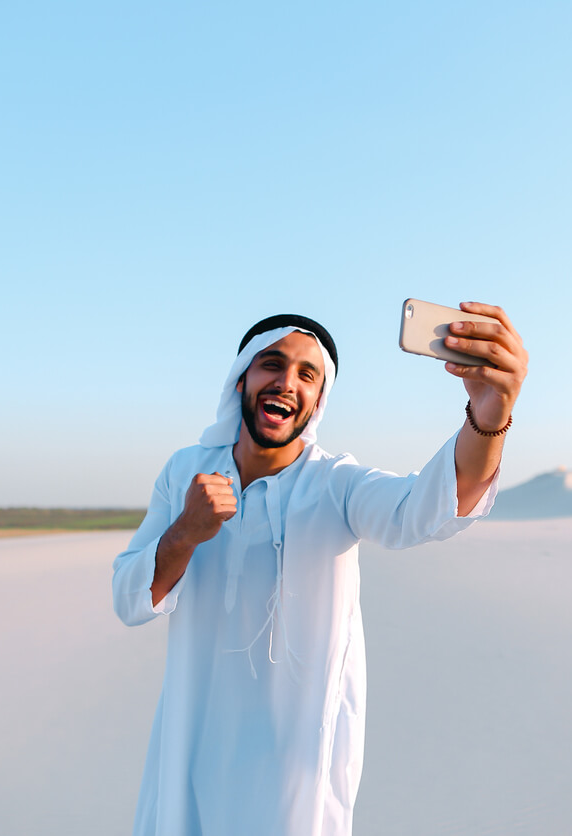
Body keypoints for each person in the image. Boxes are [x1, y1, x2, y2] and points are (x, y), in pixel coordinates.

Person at [112, 305, 527, 836]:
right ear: (241, 377)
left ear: (319, 398)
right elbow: (129, 599)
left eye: (307, 374)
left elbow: (429, 508)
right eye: (271, 364)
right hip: (190, 752)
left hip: (296, 773)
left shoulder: (338, 483)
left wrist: (488, 418)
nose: (286, 383)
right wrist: (185, 533)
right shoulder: (185, 470)